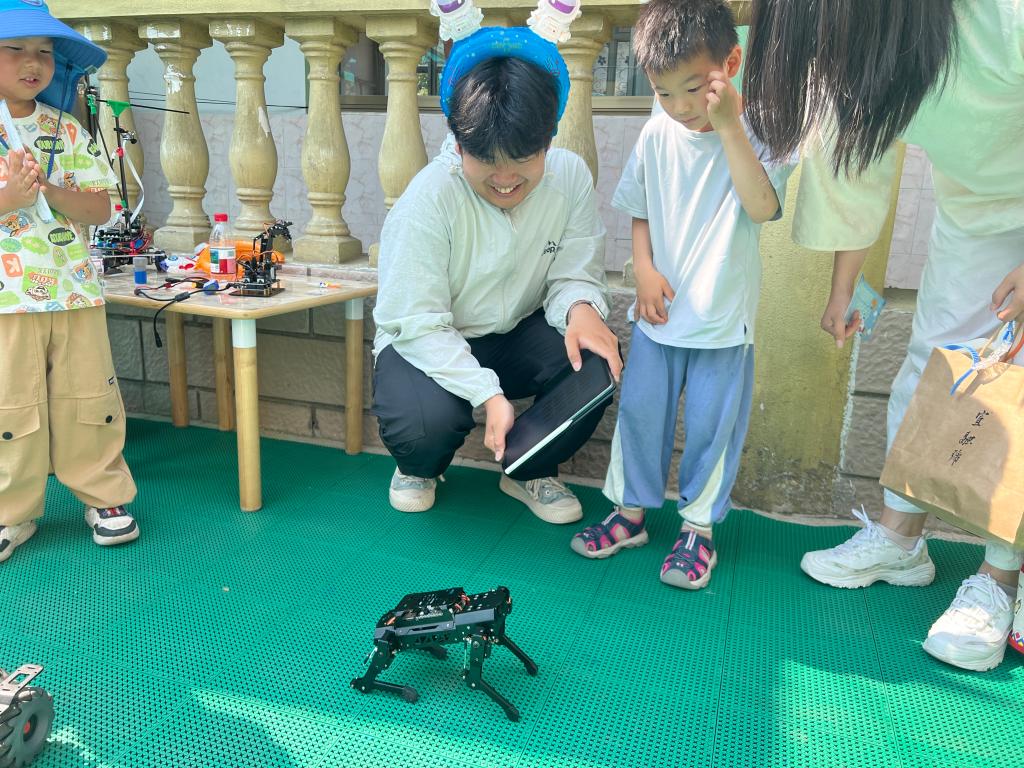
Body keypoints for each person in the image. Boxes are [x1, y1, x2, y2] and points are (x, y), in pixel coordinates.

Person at [742, 0, 1024, 671]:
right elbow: (857, 161)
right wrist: (844, 286)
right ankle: (901, 539)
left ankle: (1000, 575)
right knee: (936, 364)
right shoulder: (858, 50)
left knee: (1016, 381)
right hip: (976, 207)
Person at [569, 0, 795, 589]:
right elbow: (641, 207)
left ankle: (698, 529)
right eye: (663, 92)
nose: (680, 106)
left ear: (731, 64)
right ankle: (629, 514)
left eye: (693, 88)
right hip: (658, 312)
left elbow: (762, 208)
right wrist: (642, 267)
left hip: (722, 318)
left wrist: (730, 127)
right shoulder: (656, 133)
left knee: (712, 428)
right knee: (640, 415)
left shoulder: (759, 131)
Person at [371, 18, 622, 524]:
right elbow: (417, 321)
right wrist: (487, 393)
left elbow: (574, 271)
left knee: (595, 361)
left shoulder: (571, 177)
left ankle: (530, 469)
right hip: (428, 339)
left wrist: (581, 307)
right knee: (424, 424)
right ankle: (417, 467)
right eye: (487, 160)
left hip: (515, 334)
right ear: (459, 142)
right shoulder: (428, 199)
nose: (506, 179)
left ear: (548, 140)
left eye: (523, 159)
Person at [0, 0, 140, 563]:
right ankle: (11, 510)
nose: (32, 62)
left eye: (44, 52)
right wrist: (10, 198)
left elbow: (102, 207)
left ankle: (104, 495)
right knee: (11, 405)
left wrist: (51, 193)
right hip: (7, 300)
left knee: (90, 395)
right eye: (14, 49)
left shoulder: (68, 129)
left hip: (74, 288)